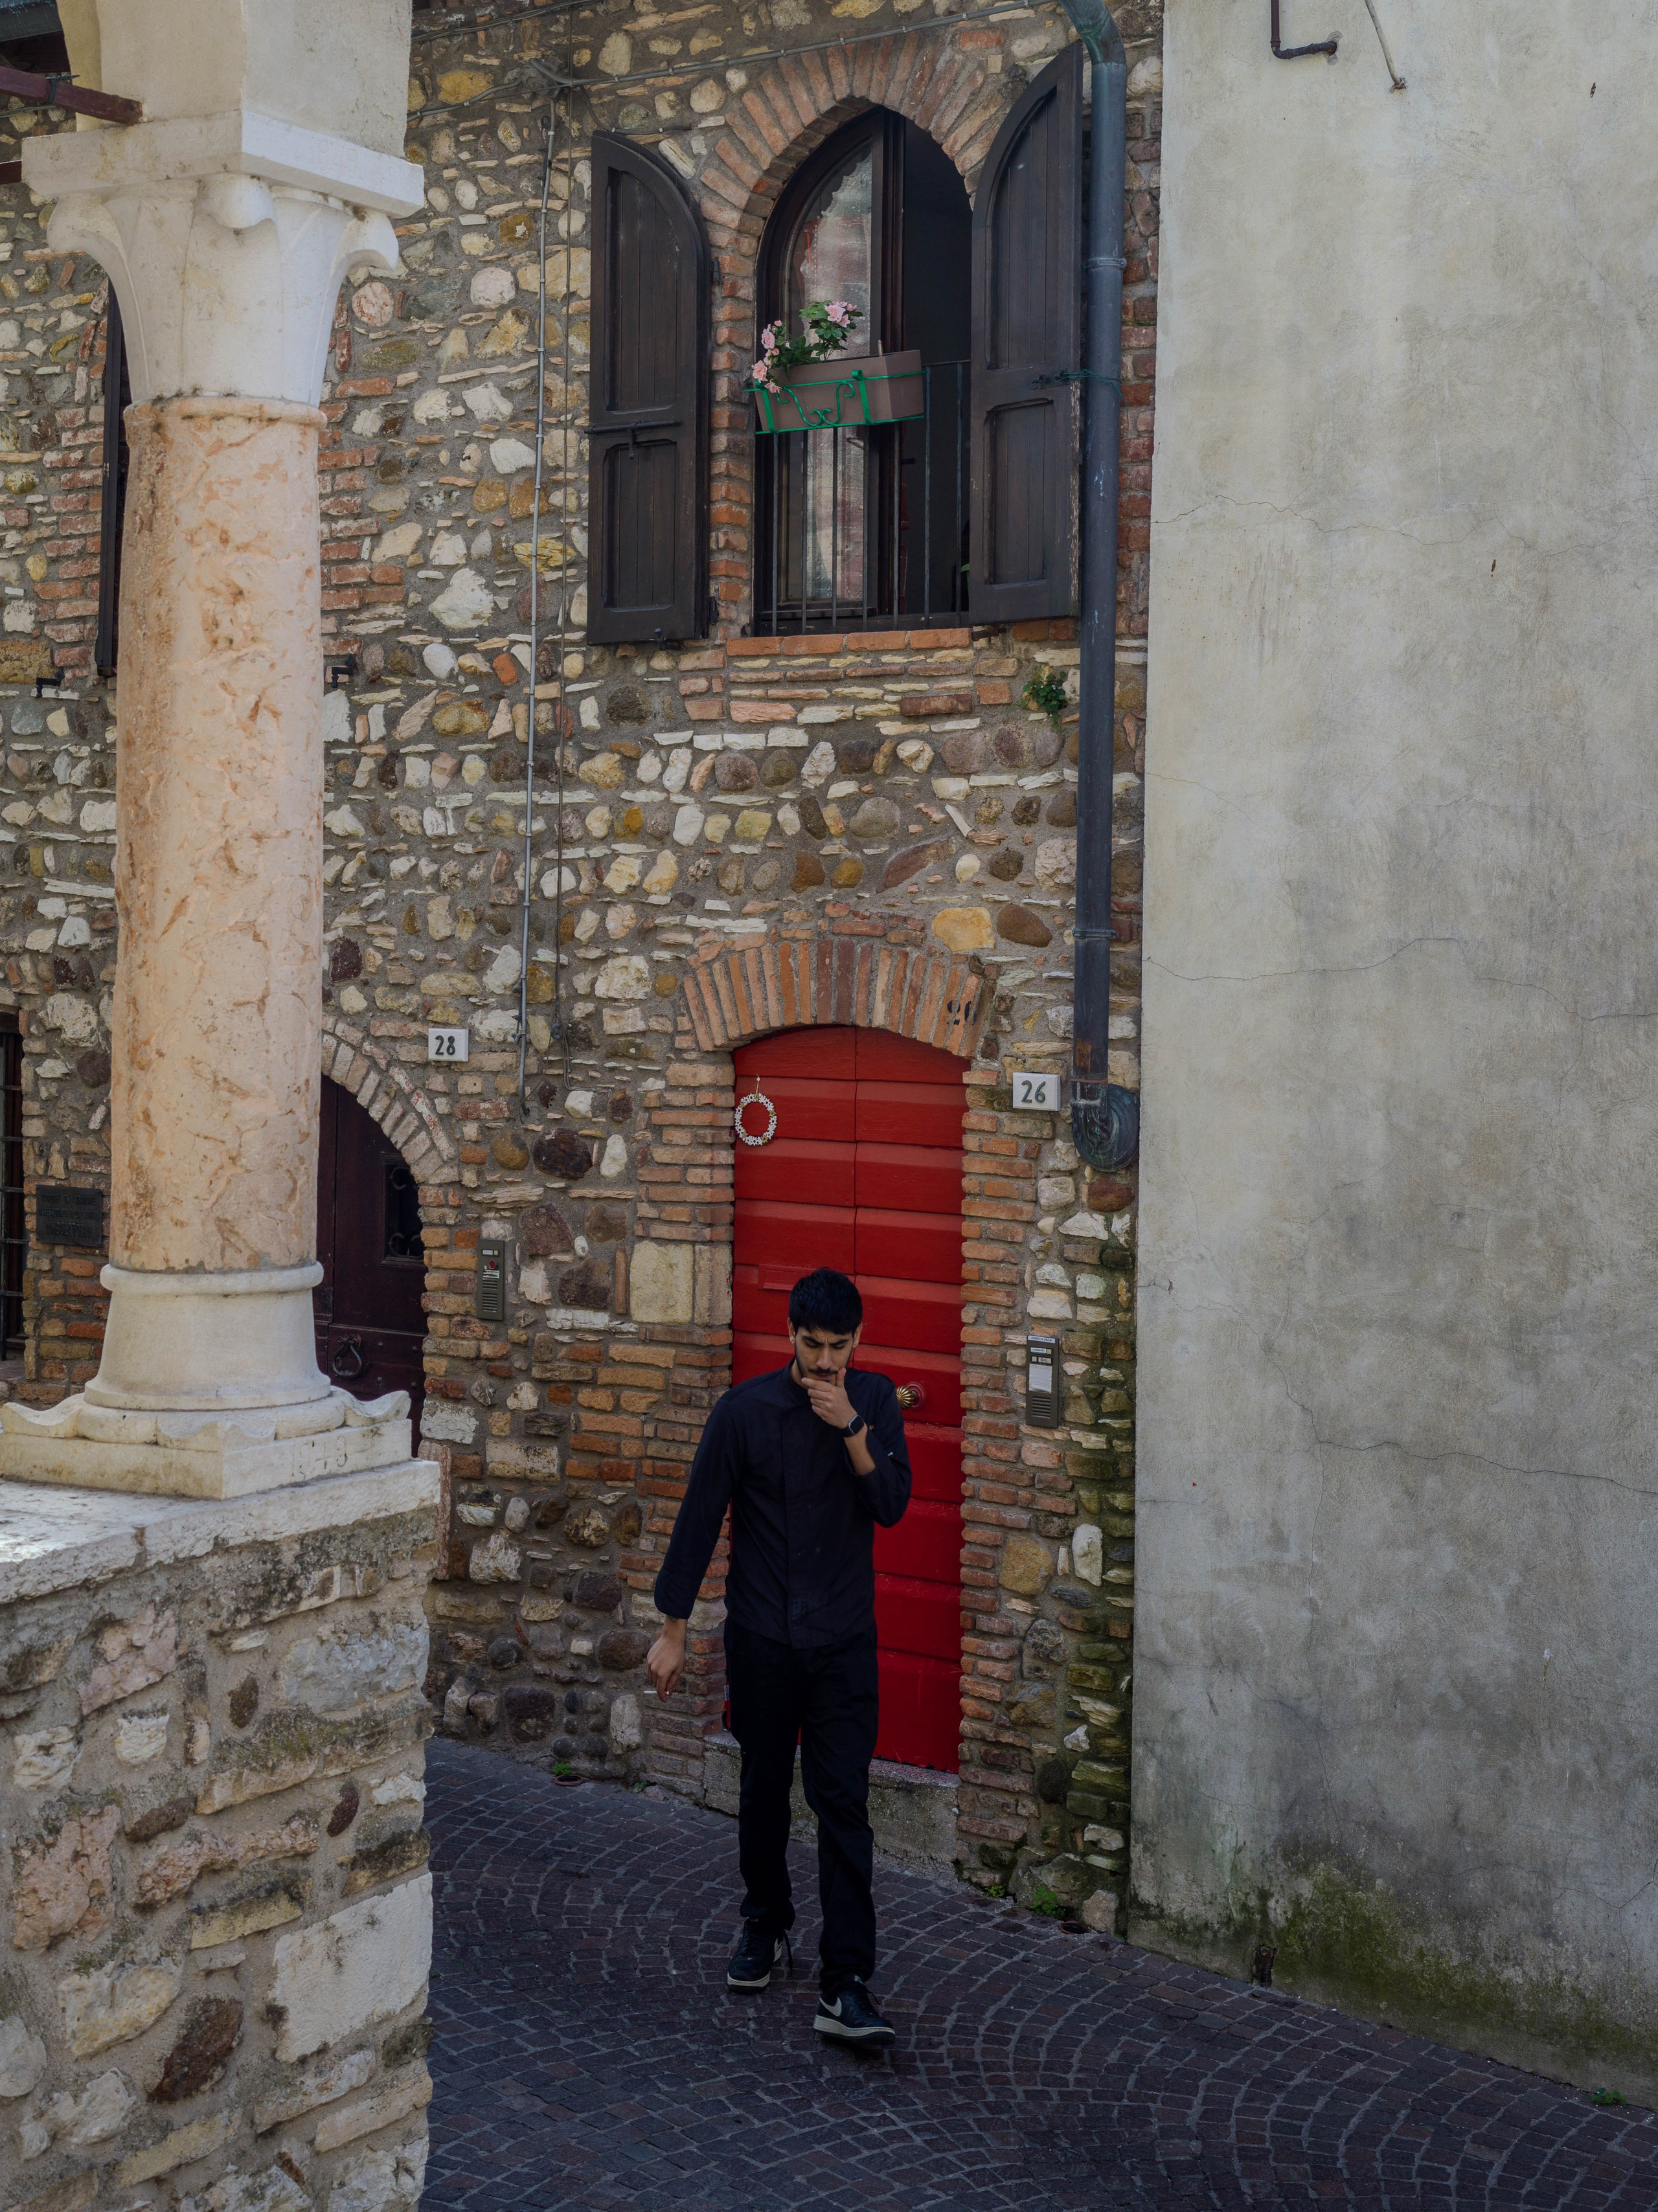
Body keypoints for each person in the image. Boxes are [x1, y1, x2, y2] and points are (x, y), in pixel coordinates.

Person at [646, 1266, 911, 2049]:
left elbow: (892, 1506)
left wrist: (851, 1430)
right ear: (789, 1336)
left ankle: (846, 1981)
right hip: (762, 1638)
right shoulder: (744, 1411)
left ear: (858, 1341)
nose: (826, 1360)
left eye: (839, 1346)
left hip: (841, 1644)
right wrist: (672, 1628)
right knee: (762, 1792)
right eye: (812, 1344)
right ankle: (763, 1924)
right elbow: (699, 1516)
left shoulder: (876, 1401)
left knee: (843, 1805)